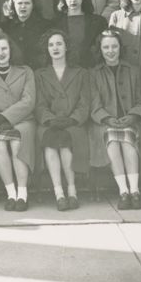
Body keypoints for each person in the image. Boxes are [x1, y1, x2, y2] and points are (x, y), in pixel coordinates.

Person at [89, 29, 141, 209]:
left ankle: (135, 191)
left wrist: (132, 116)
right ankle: (124, 191)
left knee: (128, 140)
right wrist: (106, 118)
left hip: (130, 121)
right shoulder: (94, 73)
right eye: (106, 47)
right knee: (113, 139)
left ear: (120, 48)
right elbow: (94, 102)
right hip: (105, 123)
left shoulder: (133, 70)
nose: (110, 50)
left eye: (114, 46)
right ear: (100, 49)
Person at [35, 30, 90, 211]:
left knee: (66, 141)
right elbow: (39, 103)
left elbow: (84, 102)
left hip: (73, 124)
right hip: (49, 124)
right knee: (51, 141)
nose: (55, 48)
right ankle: (59, 193)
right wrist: (50, 119)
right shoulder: (40, 74)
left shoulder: (80, 72)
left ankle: (72, 191)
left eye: (59, 44)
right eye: (51, 45)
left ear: (66, 47)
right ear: (47, 49)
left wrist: (73, 119)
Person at [0, 34, 36, 211]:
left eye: (4, 48)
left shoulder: (25, 71)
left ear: (10, 50)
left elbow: (29, 100)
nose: (0, 53)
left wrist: (8, 117)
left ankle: (22, 194)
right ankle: (11, 193)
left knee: (16, 140)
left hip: (23, 120)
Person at [56, 0, 108, 68]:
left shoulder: (98, 22)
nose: (73, 0)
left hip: (91, 70)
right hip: (65, 71)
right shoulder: (56, 23)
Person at [2, 0, 48, 68]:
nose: (23, 6)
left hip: (37, 70)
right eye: (19, 3)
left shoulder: (44, 26)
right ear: (13, 5)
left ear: (33, 5)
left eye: (27, 3)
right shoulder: (5, 27)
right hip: (13, 71)